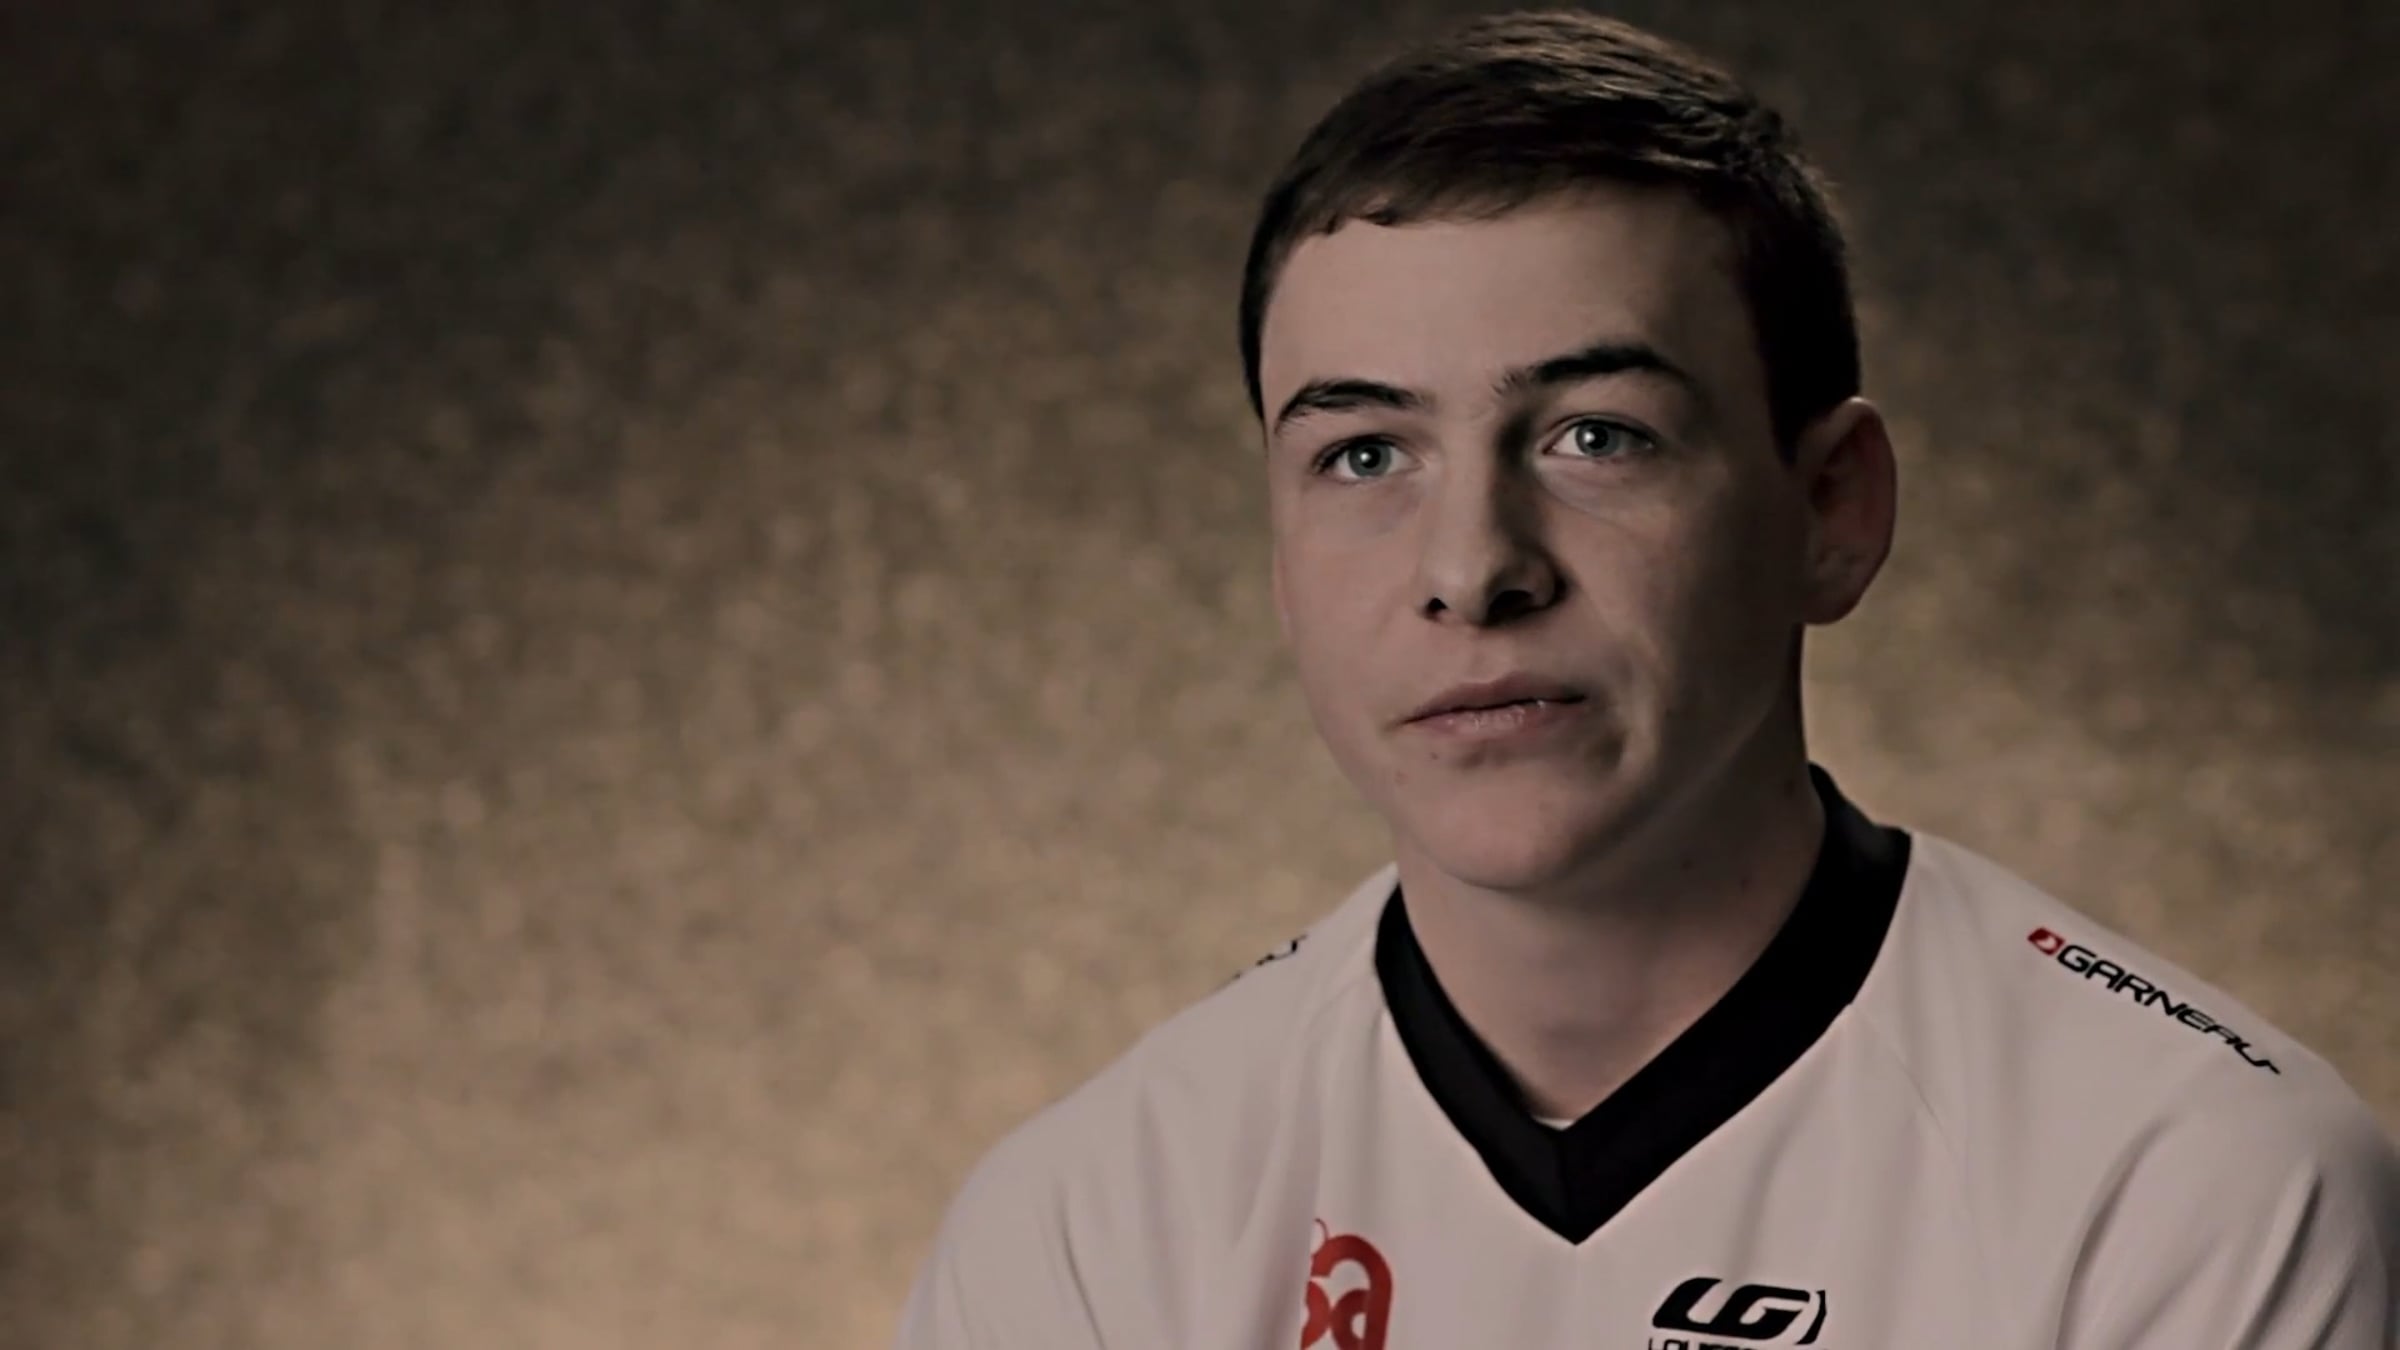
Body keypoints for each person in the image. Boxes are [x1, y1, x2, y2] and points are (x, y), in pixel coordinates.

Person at [894, 10, 2400, 1347]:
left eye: (1595, 436)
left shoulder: (2185, 1186)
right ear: (1278, 557)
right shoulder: (1089, 1229)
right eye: (1363, 454)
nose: (1472, 567)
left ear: (1831, 509)